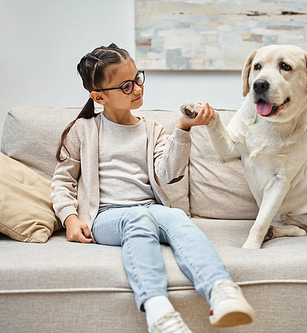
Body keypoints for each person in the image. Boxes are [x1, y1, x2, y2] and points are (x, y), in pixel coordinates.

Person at [51, 43, 255, 333]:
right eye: (125, 85)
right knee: (138, 218)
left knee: (176, 217)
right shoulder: (83, 130)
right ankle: (159, 313)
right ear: (99, 96)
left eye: (138, 78)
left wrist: (183, 129)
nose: (137, 88)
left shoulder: (152, 129)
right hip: (107, 216)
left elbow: (168, 173)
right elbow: (63, 180)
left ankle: (221, 291)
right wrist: (69, 217)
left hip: (149, 209)